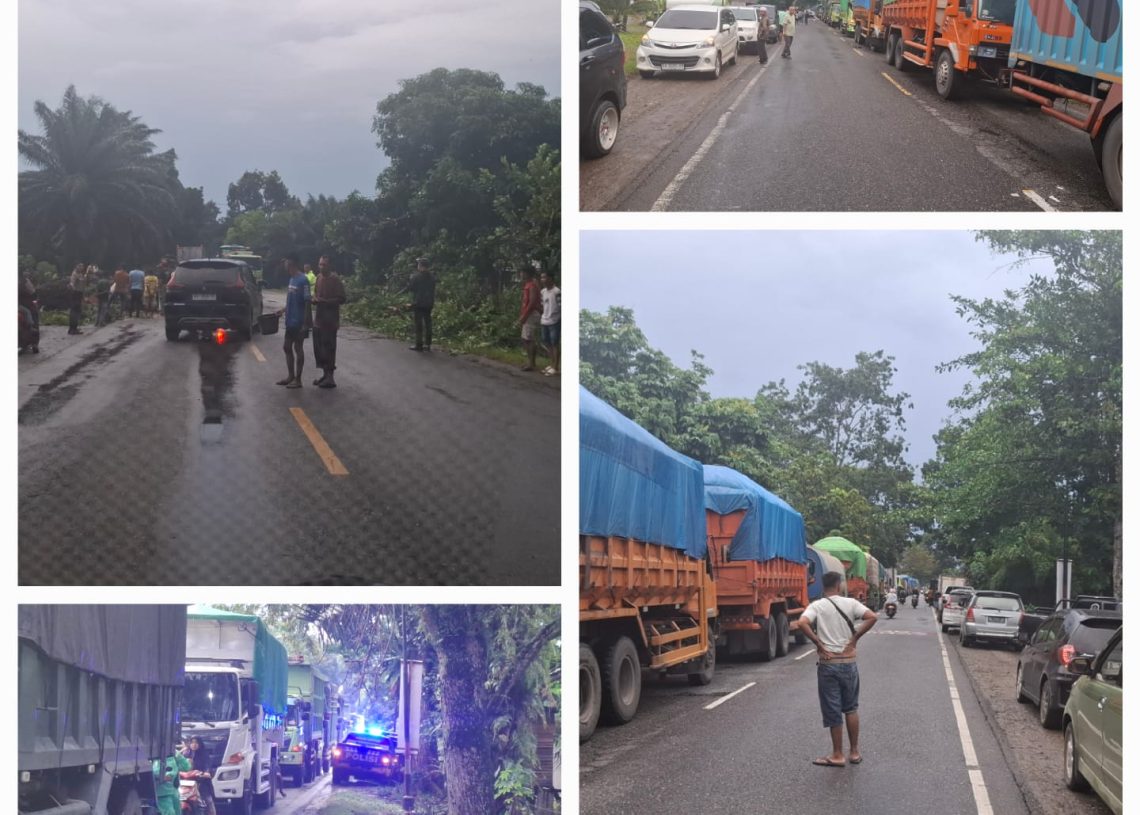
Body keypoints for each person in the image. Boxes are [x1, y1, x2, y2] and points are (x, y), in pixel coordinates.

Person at [795, 571, 878, 767]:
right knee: (851, 708)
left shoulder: (817, 606)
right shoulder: (850, 604)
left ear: (823, 587)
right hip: (848, 662)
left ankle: (838, 754)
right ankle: (855, 752)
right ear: (839, 585)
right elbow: (872, 616)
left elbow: (802, 622)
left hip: (828, 664)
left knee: (833, 710)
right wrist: (854, 640)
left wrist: (818, 644)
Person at [276, 256, 311, 389]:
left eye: (286, 265)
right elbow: (291, 300)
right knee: (286, 347)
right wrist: (283, 310)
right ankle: (290, 376)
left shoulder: (303, 280)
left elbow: (307, 301)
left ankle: (298, 379)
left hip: (299, 321)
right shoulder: (291, 279)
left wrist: (306, 323)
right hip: (290, 320)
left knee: (298, 348)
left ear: (292, 265)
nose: (285, 267)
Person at [312, 254, 347, 388]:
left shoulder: (335, 280)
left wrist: (326, 302)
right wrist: (315, 299)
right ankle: (325, 374)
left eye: (324, 265)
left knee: (329, 348)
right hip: (319, 319)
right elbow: (315, 293)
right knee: (319, 348)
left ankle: (330, 377)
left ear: (329, 266)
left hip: (330, 320)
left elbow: (342, 298)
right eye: (320, 264)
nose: (321, 267)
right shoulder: (319, 278)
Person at [183, 735, 218, 815]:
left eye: (196, 742)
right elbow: (181, 765)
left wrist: (206, 772)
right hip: (188, 782)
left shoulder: (204, 755)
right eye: (192, 742)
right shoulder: (186, 753)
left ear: (200, 744)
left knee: (208, 800)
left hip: (202, 782)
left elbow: (207, 766)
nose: (194, 744)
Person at [517, 267, 542, 371]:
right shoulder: (528, 285)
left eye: (523, 272)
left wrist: (524, 316)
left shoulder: (532, 285)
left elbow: (531, 303)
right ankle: (530, 362)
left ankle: (531, 364)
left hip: (531, 314)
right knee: (525, 339)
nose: (521, 274)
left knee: (528, 339)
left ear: (528, 274)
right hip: (528, 314)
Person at [408, 257, 436, 351]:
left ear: (420, 266)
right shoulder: (432, 277)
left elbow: (411, 288)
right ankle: (428, 345)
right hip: (429, 303)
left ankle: (418, 345)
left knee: (419, 325)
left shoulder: (416, 276)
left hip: (418, 303)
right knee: (428, 323)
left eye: (418, 264)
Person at [153, 747, 191, 815]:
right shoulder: (153, 754)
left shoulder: (173, 753)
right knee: (169, 812)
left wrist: (178, 756)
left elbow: (187, 767)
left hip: (173, 790)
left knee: (177, 811)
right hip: (162, 791)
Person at [539, 271, 560, 376]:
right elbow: (542, 305)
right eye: (541, 278)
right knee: (546, 342)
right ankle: (551, 364)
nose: (543, 280)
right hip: (545, 320)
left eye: (545, 277)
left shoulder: (557, 291)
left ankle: (556, 367)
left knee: (554, 344)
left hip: (554, 320)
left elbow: (561, 306)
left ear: (551, 278)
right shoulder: (543, 292)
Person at [19, 273, 40, 353]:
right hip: (26, 305)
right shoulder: (25, 281)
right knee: (34, 322)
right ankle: (34, 344)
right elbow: (33, 292)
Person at [68, 262, 87, 334]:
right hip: (75, 294)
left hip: (79, 294)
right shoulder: (74, 274)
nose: (81, 267)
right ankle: (72, 329)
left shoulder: (81, 275)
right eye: (80, 266)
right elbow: (72, 283)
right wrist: (72, 288)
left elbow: (83, 286)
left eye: (82, 266)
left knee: (77, 312)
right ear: (76, 266)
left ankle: (75, 328)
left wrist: (83, 296)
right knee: (74, 311)